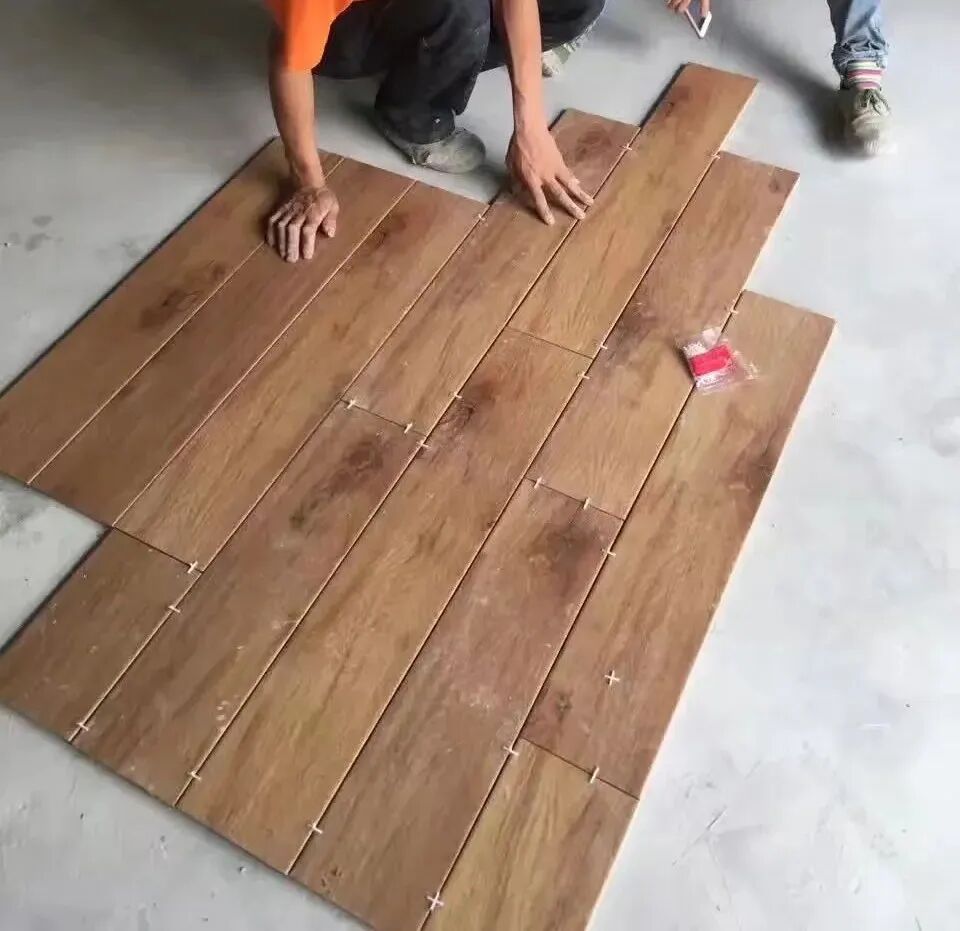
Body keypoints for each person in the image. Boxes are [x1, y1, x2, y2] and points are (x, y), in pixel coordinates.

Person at [266, 0, 891, 263]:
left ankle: (453, 53)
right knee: (457, 7)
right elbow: (290, 64)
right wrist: (310, 181)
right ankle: (409, 112)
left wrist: (531, 127)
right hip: (342, 36)